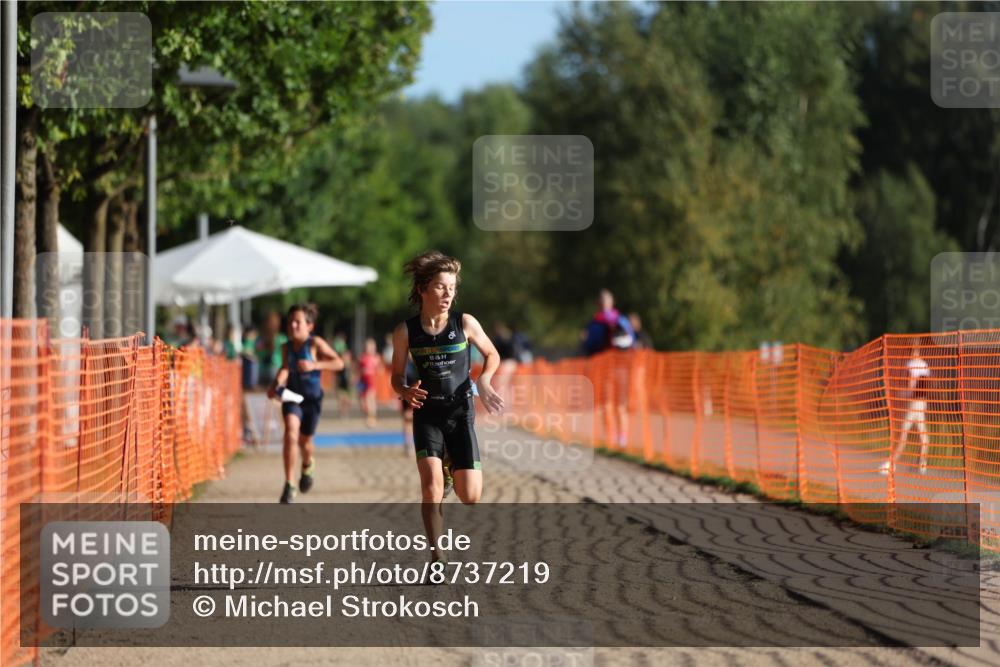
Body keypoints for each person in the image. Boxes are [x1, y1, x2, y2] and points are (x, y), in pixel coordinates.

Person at [390, 250, 504, 564]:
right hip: (427, 413)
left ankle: (453, 472)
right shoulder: (405, 332)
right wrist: (404, 390)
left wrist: (484, 380)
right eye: (441, 286)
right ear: (423, 289)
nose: (448, 293)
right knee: (430, 488)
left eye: (452, 287)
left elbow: (492, 354)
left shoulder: (464, 322)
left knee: (471, 497)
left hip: (460, 411)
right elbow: (396, 376)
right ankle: (436, 555)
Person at [268, 303, 344, 503]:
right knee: (290, 433)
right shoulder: (285, 347)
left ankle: (308, 464)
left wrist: (315, 364)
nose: (293, 326)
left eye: (298, 322)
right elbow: (285, 368)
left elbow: (339, 363)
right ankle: (289, 484)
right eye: (290, 322)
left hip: (312, 400)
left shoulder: (314, 344)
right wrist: (276, 383)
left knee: (306, 443)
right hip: (292, 397)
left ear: (309, 326)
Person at [882, 345, 931, 476]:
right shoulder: (925, 365)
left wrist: (901, 394)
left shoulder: (910, 365)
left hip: (913, 404)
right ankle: (921, 464)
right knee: (922, 435)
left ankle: (891, 463)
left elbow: (910, 386)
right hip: (922, 403)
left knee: (903, 435)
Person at [358, 337, 381, 428]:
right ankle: (369, 416)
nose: (369, 349)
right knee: (362, 402)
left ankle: (371, 419)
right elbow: (358, 370)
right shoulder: (362, 357)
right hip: (363, 381)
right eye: (368, 347)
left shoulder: (376, 358)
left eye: (371, 347)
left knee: (370, 399)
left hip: (371, 380)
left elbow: (380, 370)